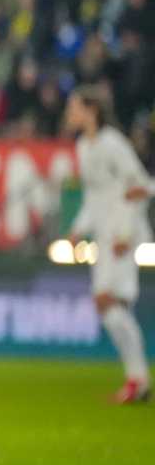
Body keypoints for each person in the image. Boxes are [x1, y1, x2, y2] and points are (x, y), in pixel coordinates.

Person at [64, 85, 153, 404]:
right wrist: (77, 230)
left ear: (92, 110)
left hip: (121, 236)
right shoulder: (83, 147)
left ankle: (138, 379)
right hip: (103, 236)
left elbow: (139, 186)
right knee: (112, 307)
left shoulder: (113, 144)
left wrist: (126, 233)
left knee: (106, 301)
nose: (69, 113)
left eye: (74, 107)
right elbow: (94, 197)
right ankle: (137, 381)